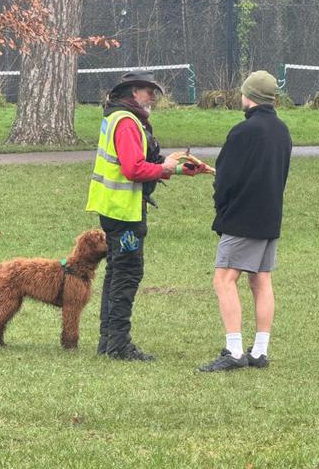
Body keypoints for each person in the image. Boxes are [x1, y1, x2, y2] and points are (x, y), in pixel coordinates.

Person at [86, 71, 202, 361]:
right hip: (123, 211)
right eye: (148, 91)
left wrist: (166, 162)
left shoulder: (117, 117)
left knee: (116, 273)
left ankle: (108, 341)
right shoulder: (126, 122)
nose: (153, 97)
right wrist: (169, 169)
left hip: (113, 206)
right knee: (126, 275)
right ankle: (119, 345)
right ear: (132, 92)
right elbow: (133, 169)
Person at [197, 70, 292, 373]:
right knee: (261, 278)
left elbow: (226, 179)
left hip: (242, 218)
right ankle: (260, 350)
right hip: (269, 215)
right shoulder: (282, 131)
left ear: (249, 96)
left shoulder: (242, 132)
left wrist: (222, 205)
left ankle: (235, 350)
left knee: (224, 279)